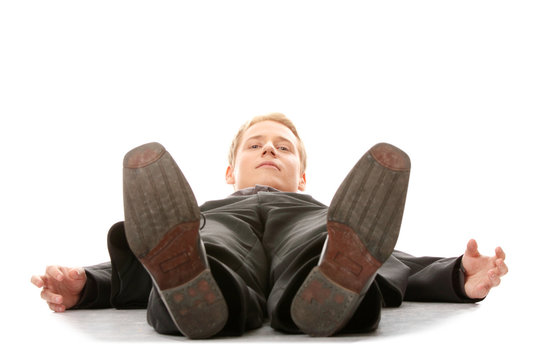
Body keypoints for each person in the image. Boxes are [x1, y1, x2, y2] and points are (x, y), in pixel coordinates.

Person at [31, 113, 508, 339]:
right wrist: (87, 284)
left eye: (282, 147)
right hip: (218, 226)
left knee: (324, 243)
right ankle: (202, 286)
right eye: (255, 145)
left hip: (309, 228)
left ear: (301, 175)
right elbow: (141, 257)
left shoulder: (321, 211)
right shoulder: (207, 210)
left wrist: (459, 275)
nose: (268, 151)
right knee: (202, 245)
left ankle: (329, 281)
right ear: (229, 171)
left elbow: (400, 260)